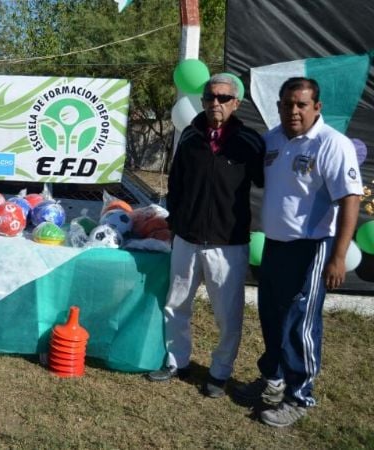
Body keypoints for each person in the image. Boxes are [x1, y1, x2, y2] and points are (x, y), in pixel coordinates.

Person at [236, 78, 362, 427]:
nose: (294, 110)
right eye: (288, 104)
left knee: (299, 322)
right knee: (271, 315)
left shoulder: (332, 144)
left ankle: (300, 395)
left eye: (301, 104)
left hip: (311, 247)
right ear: (279, 106)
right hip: (275, 245)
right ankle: (273, 380)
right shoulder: (272, 140)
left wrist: (337, 256)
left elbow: (350, 198)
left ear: (316, 107)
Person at [147, 74, 264, 398]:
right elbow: (176, 185)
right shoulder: (188, 137)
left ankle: (219, 373)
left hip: (228, 245)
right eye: (211, 96)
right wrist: (177, 224)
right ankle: (176, 362)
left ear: (236, 103)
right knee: (176, 306)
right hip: (187, 239)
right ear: (203, 100)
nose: (216, 103)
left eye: (224, 98)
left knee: (227, 316)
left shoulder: (250, 142)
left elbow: (267, 183)